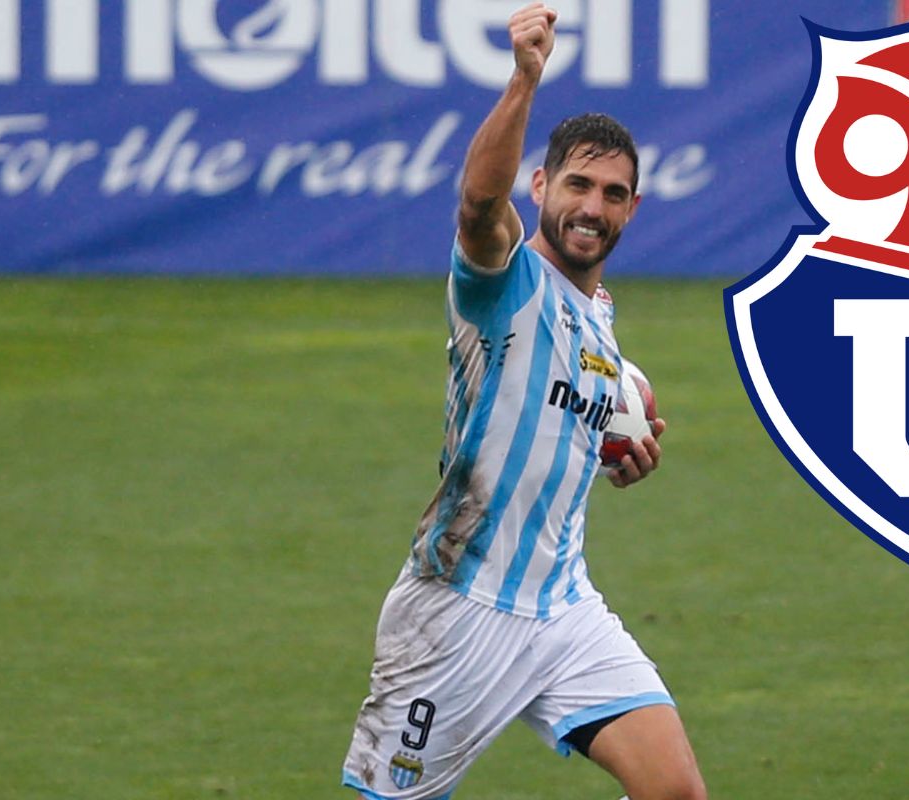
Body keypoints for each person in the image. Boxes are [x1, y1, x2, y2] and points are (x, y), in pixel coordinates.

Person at [341, 4, 708, 799]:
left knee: (676, 792)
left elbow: (575, 424)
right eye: (577, 184)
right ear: (540, 185)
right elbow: (477, 206)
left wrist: (623, 454)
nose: (593, 206)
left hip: (562, 606)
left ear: (633, 209)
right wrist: (524, 79)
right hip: (456, 607)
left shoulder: (601, 320)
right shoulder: (503, 282)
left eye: (614, 194)